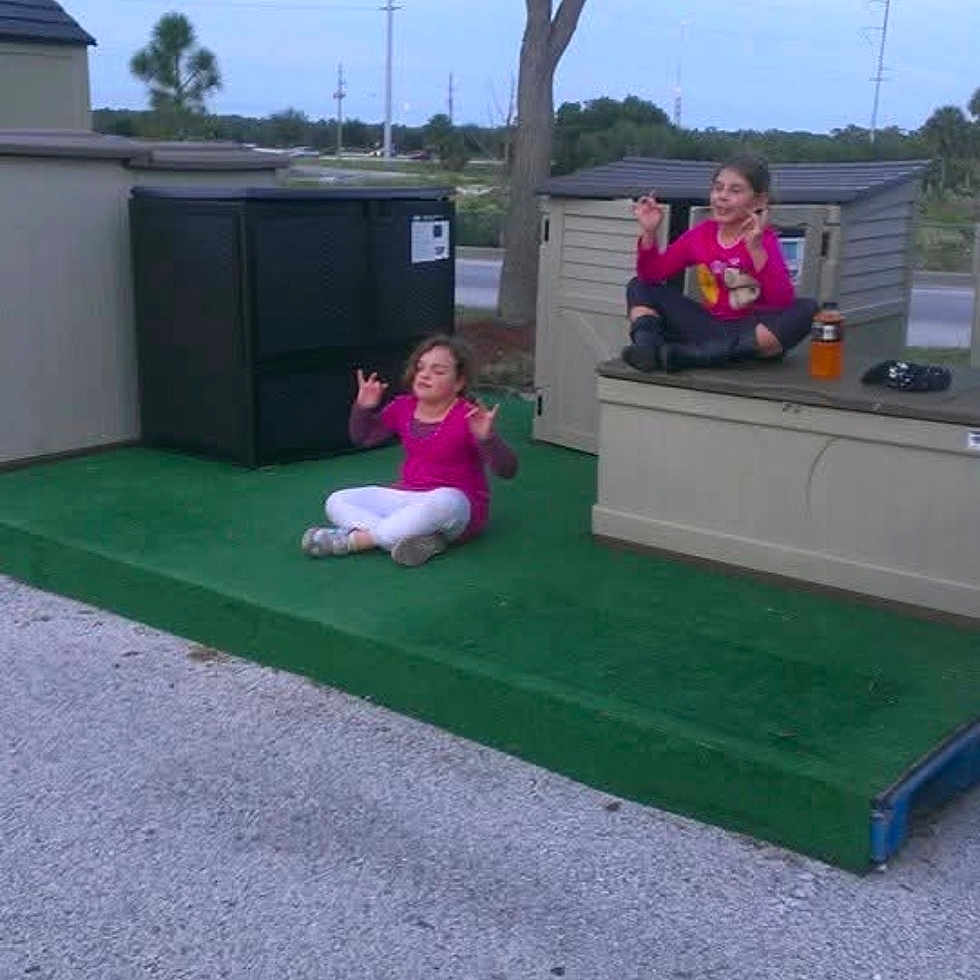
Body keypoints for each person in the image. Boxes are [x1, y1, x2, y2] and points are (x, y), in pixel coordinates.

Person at [301, 335, 518, 567]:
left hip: (456, 508)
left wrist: (487, 438)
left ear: (459, 382)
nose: (425, 375)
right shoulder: (403, 406)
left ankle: (354, 541)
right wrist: (363, 407)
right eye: (420, 368)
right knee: (337, 500)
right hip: (408, 497)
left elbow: (508, 470)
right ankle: (420, 537)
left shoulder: (469, 416)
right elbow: (364, 437)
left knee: (445, 501)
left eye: (438, 371)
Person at [622, 154, 818, 373]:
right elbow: (652, 274)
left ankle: (690, 357)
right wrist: (649, 232)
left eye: (735, 190)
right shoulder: (701, 235)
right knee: (639, 285)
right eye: (718, 188)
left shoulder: (764, 239)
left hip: (751, 332)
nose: (722, 196)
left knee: (806, 308)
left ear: (759, 201)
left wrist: (755, 249)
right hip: (709, 325)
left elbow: (779, 300)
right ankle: (647, 349)